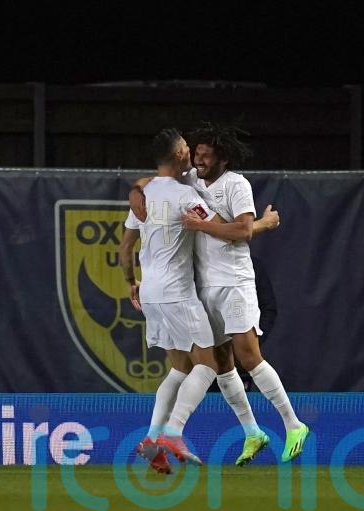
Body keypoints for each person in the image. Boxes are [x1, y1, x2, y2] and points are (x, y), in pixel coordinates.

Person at [180, 122, 308, 463]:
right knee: (222, 364)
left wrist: (203, 225)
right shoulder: (191, 179)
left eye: (206, 155)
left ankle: (294, 424)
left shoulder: (236, 184)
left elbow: (241, 230)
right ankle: (253, 433)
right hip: (206, 286)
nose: (200, 160)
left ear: (222, 158)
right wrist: (264, 224)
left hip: (235, 283)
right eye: (197, 154)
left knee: (248, 355)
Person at [119, 128, 220, 474]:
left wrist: (132, 283)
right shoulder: (184, 196)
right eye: (187, 148)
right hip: (177, 291)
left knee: (180, 368)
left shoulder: (144, 194)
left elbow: (124, 248)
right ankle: (174, 433)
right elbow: (219, 228)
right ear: (178, 155)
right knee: (208, 365)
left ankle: (150, 440)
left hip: (150, 291)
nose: (192, 151)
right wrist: (259, 225)